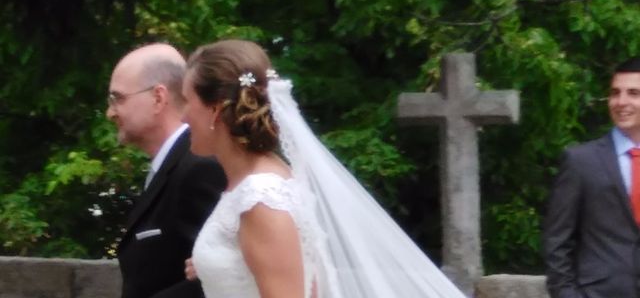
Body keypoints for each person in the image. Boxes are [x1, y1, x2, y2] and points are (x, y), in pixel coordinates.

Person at [181, 39, 466, 298]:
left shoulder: (261, 197)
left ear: (215, 110)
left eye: (187, 101)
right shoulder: (250, 186)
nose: (182, 115)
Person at [107, 43, 227, 298]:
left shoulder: (200, 167)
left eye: (118, 98)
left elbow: (222, 279)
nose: (110, 112)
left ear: (158, 98)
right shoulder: (172, 165)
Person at [544, 56, 640, 298]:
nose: (621, 102)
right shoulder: (581, 161)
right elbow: (557, 241)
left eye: (633, 93)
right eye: (615, 93)